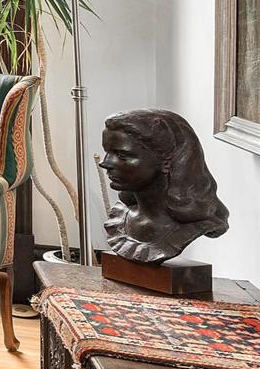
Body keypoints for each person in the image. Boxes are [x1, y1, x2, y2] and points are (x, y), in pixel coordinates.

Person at [99, 109, 231, 265]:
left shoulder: (198, 223)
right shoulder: (122, 217)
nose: (105, 163)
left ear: (166, 162)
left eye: (122, 155)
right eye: (107, 152)